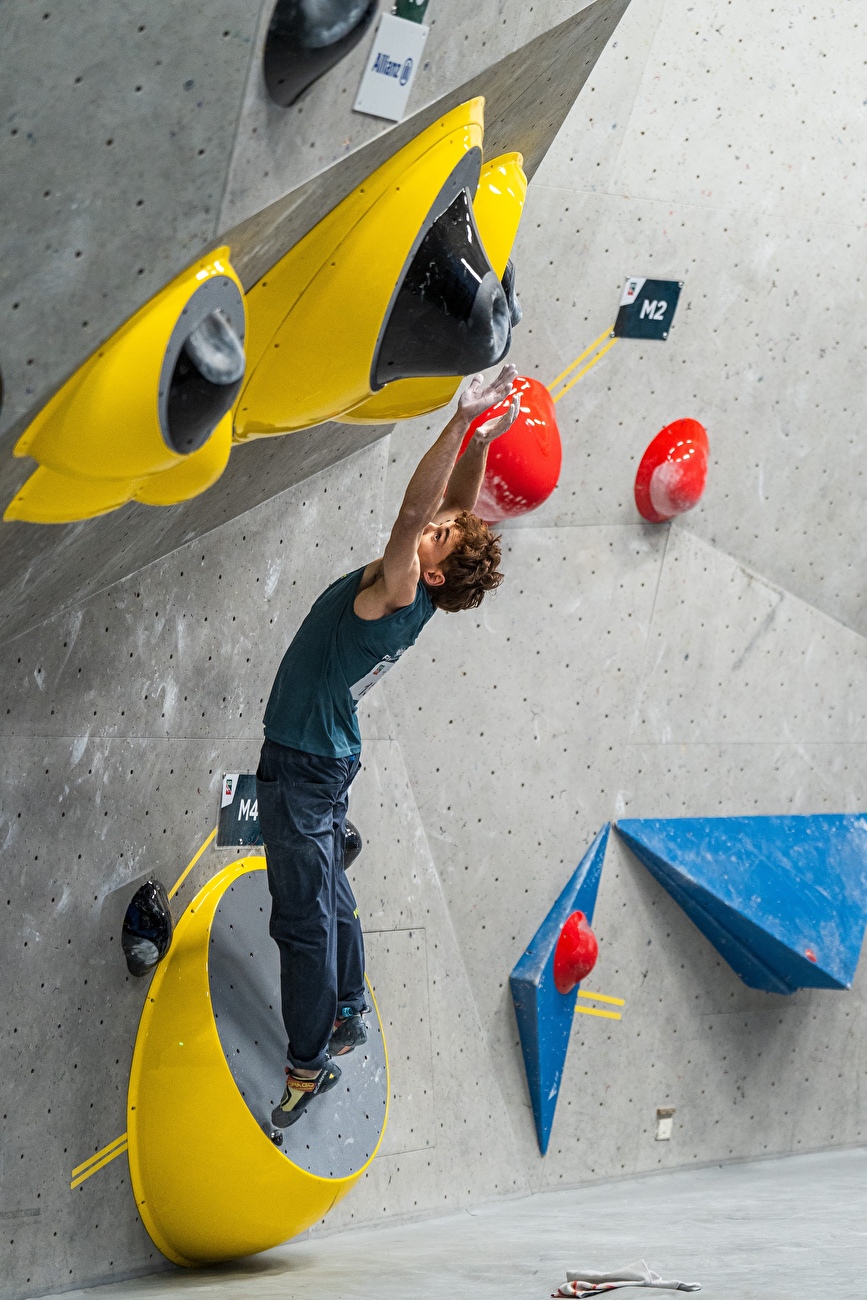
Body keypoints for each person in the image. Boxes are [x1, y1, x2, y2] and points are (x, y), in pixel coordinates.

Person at [257, 364, 520, 1128]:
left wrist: (457, 416)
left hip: (304, 761)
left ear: (428, 570)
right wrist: (479, 441)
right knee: (326, 884)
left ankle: (308, 1065)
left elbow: (413, 511)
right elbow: (453, 509)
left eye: (435, 537)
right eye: (437, 528)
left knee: (301, 919)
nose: (432, 522)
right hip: (327, 753)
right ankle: (345, 1008)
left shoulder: (398, 588)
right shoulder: (427, 589)